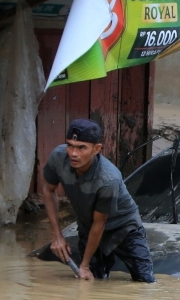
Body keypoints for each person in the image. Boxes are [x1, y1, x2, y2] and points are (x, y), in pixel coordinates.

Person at [43, 119, 155, 282]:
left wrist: (84, 266)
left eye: (81, 147)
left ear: (97, 149)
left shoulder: (108, 178)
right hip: (88, 226)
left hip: (123, 227)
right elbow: (48, 190)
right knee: (91, 281)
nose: (74, 153)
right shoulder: (58, 158)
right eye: (70, 145)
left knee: (145, 281)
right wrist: (57, 235)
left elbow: (100, 223)